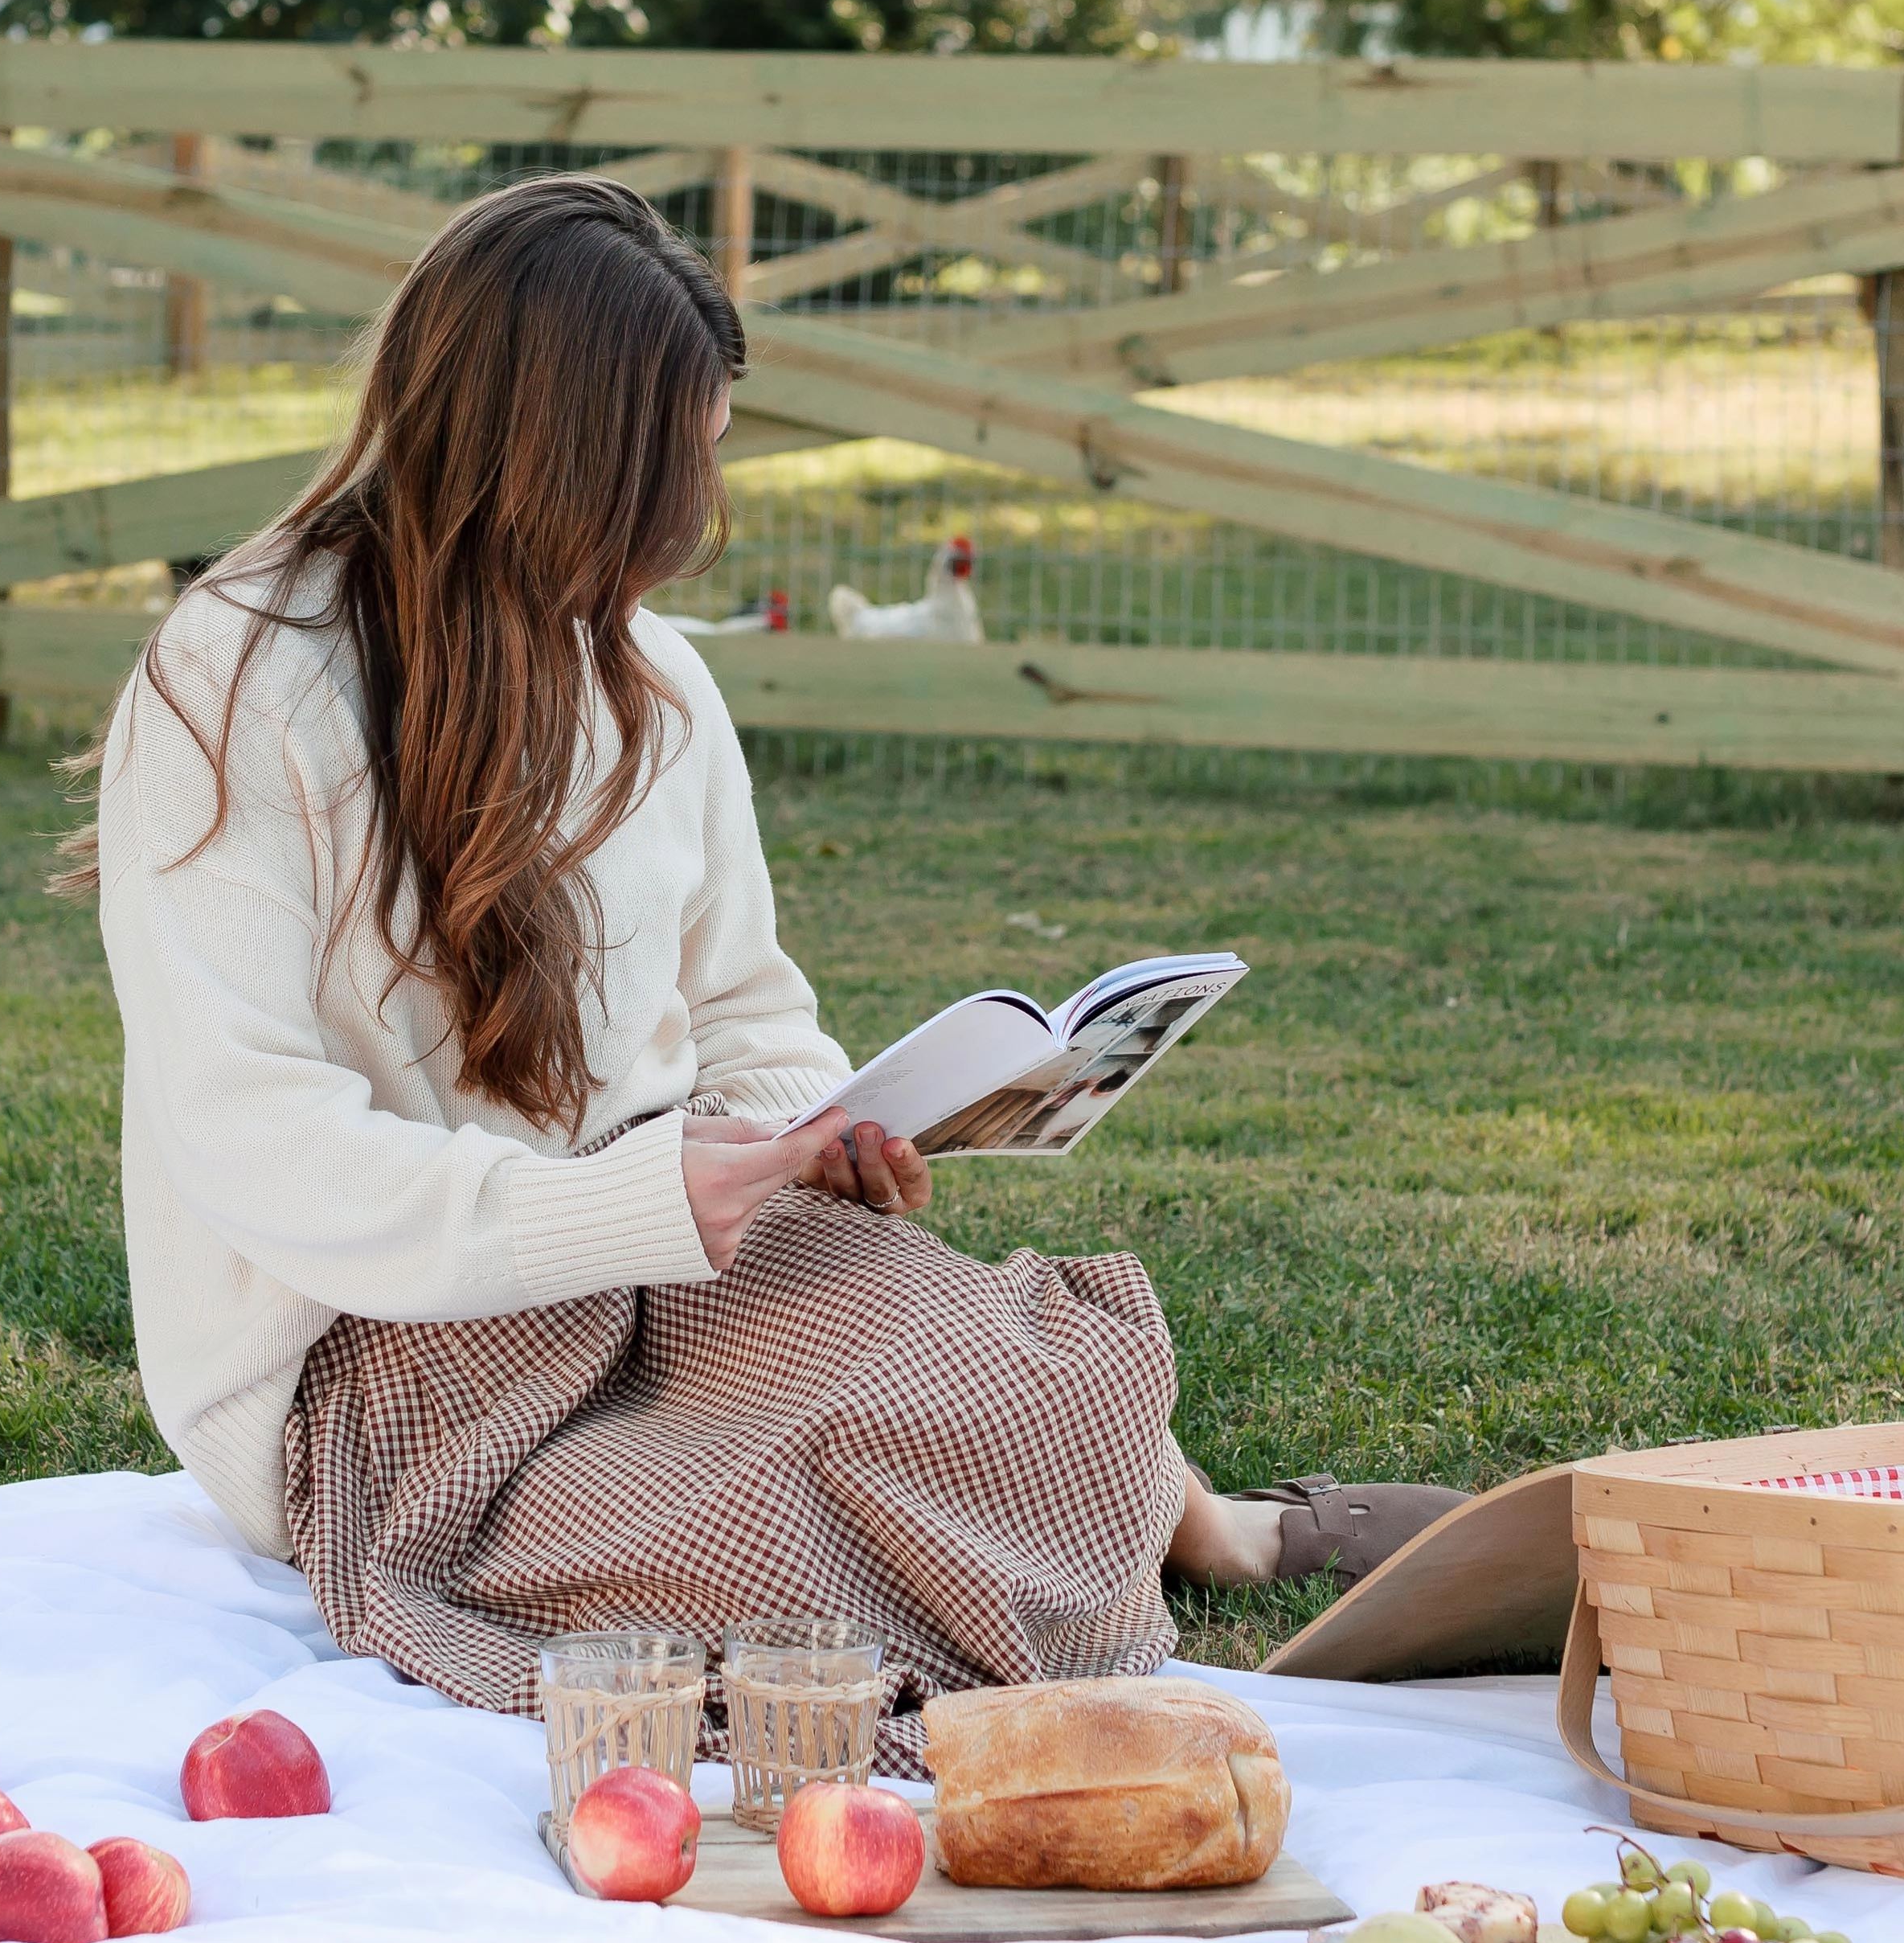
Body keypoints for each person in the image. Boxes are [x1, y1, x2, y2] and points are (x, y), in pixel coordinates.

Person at [71, 174, 1456, 1746]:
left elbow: (742, 1005)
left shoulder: (650, 675)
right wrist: (626, 1204)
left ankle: (1226, 1532)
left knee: (983, 1363)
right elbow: (251, 1134)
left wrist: (819, 1133)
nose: (697, 517)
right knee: (772, 1551)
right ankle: (1146, 1539)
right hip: (391, 1358)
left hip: (671, 1250)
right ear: (556, 456)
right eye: (677, 463)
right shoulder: (242, 677)